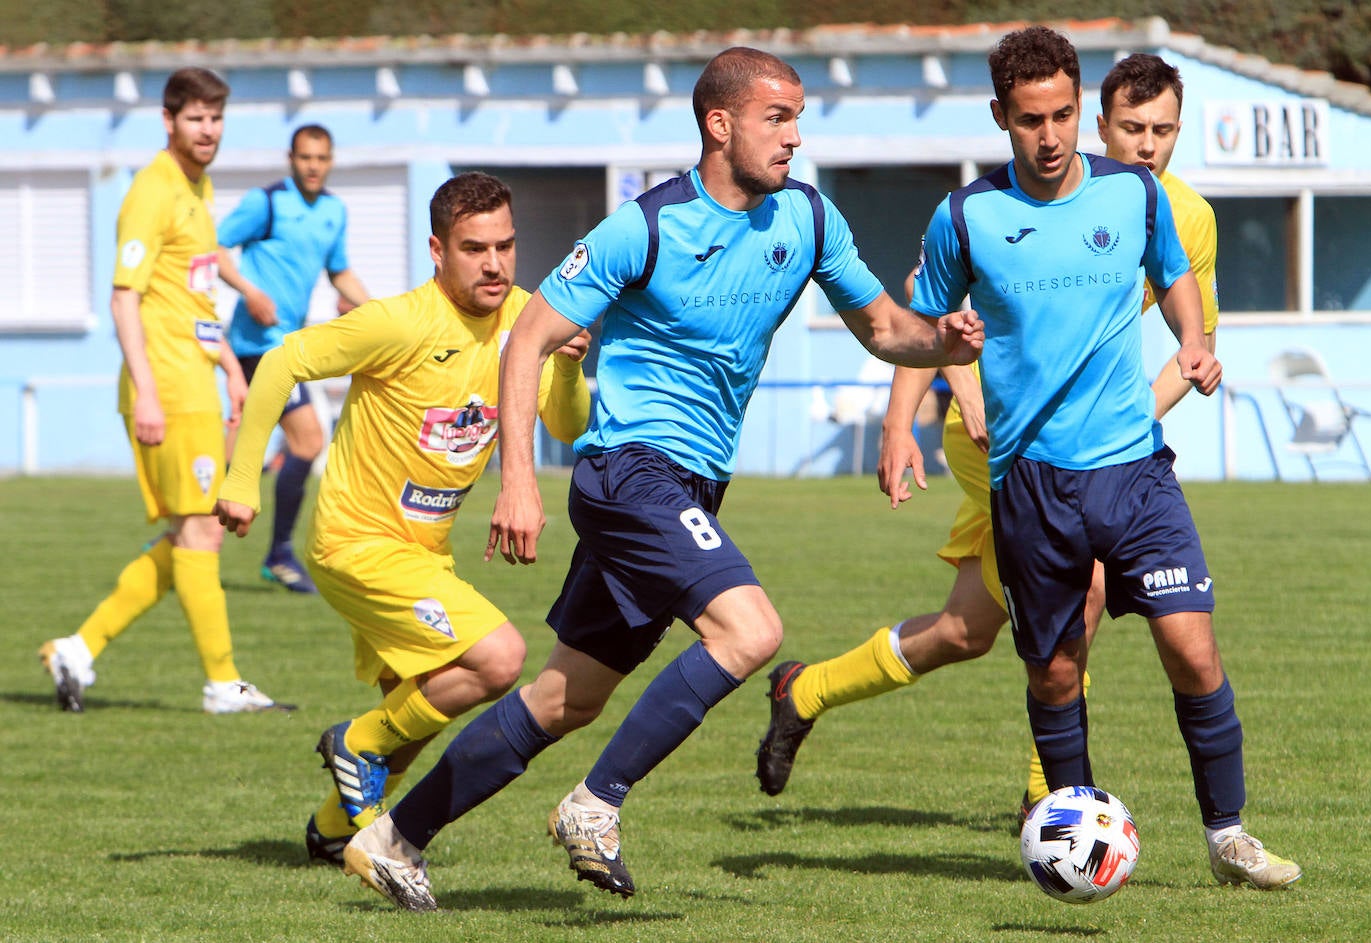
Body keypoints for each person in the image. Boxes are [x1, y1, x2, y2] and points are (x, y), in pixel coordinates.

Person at [334, 46, 984, 912]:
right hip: (628, 471)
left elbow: (883, 326)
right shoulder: (643, 226)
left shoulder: (810, 220)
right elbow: (527, 337)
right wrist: (519, 483)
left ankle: (390, 837)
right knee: (751, 631)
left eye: (798, 116)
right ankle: (594, 807)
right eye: (777, 117)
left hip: (692, 488)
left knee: (565, 698)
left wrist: (944, 340)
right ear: (720, 125)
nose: (795, 135)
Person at [755, 53, 1226, 822]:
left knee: (965, 630)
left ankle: (804, 689)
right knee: (1087, 589)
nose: (1147, 145)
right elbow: (933, 310)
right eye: (1132, 128)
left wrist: (1125, 422)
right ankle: (1052, 802)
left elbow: (1190, 335)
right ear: (1098, 123)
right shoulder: (1001, 205)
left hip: (1096, 450)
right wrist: (912, 413)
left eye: (1164, 130)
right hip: (997, 440)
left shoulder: (1180, 214)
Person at [921, 26, 1294, 890]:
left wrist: (1193, 340)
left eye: (1059, 116)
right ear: (999, 117)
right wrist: (950, 361)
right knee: (1055, 671)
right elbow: (926, 318)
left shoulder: (1132, 192)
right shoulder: (967, 216)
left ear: (1081, 108)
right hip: (1032, 484)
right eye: (1027, 120)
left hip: (1133, 471)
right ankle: (1079, 836)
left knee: (1193, 651)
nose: (1048, 138)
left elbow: (1173, 274)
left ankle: (1229, 835)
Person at [214, 172, 591, 879]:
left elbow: (566, 425)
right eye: (474, 248)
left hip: (425, 552)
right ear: (437, 250)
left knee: (419, 701)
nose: (495, 263)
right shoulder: (399, 321)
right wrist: (241, 481)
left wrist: (567, 366)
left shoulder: (527, 319)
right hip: (355, 541)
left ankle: (331, 831)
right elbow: (283, 360)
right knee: (499, 658)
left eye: (506, 246)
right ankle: (354, 741)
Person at [38, 68, 281, 715]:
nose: (209, 131)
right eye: (197, 118)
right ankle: (222, 682)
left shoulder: (196, 188)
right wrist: (145, 391)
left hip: (197, 381)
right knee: (202, 530)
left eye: (217, 118)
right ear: (169, 122)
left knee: (192, 535)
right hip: (168, 390)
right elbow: (124, 300)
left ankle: (78, 650)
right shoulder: (150, 191)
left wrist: (229, 363)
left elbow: (192, 296)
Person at [217, 124, 370, 594]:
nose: (313, 166)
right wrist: (250, 291)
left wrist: (375, 313)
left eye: (321, 158)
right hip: (255, 344)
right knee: (305, 441)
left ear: (330, 160)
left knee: (266, 447)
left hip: (289, 347)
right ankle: (272, 552)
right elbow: (214, 250)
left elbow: (338, 270)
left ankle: (206, 544)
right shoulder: (266, 202)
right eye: (305, 157)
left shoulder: (332, 211)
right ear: (291, 157)